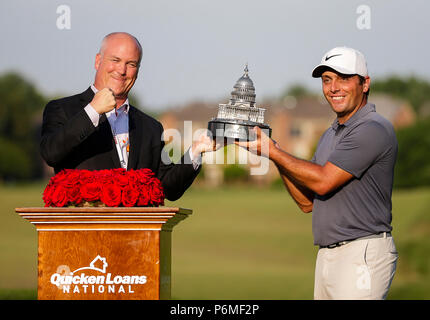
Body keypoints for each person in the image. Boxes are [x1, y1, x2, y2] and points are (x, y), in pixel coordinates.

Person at [237, 46, 398, 299]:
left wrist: (274, 153)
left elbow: (323, 181)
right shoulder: (331, 133)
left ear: (364, 84)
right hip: (327, 255)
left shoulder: (373, 128)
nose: (333, 88)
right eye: (327, 80)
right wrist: (275, 152)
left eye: (343, 79)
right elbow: (306, 202)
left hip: (362, 253)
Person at [40, 32, 217, 201]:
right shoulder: (62, 109)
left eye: (131, 64)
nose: (122, 70)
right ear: (97, 61)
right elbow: (51, 153)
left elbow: (168, 188)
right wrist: (93, 110)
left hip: (137, 231)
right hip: (83, 229)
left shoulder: (151, 128)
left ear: (138, 71)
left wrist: (195, 151)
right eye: (115, 60)